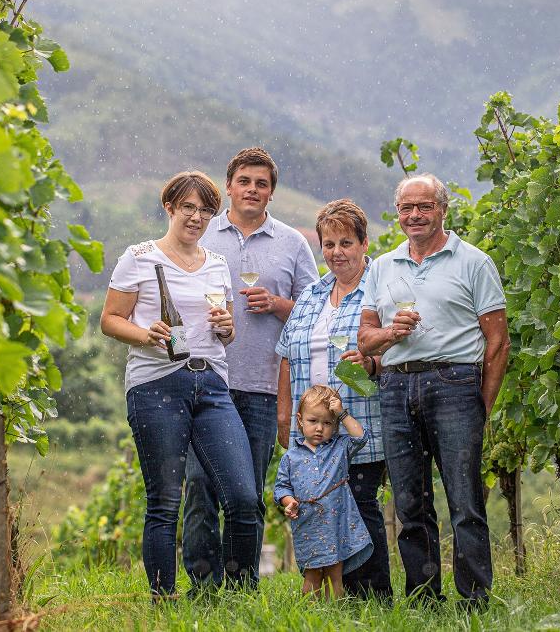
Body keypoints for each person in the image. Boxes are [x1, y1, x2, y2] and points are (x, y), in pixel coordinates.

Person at [100, 171, 259, 599]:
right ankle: (163, 598)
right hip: (156, 384)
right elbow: (110, 320)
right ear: (169, 207)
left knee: (243, 496)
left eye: (205, 210)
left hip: (210, 383)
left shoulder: (218, 265)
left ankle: (239, 595)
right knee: (165, 502)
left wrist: (227, 327)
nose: (196, 217)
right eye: (187, 208)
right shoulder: (140, 256)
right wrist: (145, 334)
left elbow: (226, 332)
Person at [358, 174, 510, 610]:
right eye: (407, 208)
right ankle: (424, 600)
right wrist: (389, 332)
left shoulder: (474, 262)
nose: (414, 215)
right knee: (409, 503)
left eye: (424, 206)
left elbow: (497, 342)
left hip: (454, 383)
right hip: (394, 384)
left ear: (443, 209)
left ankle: (473, 600)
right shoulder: (383, 267)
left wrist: (482, 402)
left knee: (464, 501)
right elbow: (365, 340)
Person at [183, 148, 319, 591]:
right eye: (245, 181)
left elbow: (318, 312)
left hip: (263, 387)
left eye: (262, 183)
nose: (252, 190)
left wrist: (279, 305)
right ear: (229, 186)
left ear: (272, 192)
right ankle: (203, 588)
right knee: (201, 488)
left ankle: (241, 589)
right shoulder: (202, 237)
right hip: (205, 382)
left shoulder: (292, 243)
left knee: (246, 495)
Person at [275, 198, 392, 600]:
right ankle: (329, 596)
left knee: (359, 504)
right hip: (311, 431)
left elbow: (399, 348)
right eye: (329, 244)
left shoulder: (382, 287)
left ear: (363, 243)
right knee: (316, 506)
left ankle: (373, 597)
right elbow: (289, 355)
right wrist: (284, 413)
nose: (337, 253)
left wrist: (372, 361)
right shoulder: (311, 295)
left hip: (361, 422)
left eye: (346, 243)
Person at [274, 385, 372, 599]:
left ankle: (333, 614)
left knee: (335, 573)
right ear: (299, 420)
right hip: (308, 523)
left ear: (335, 425)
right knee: (313, 574)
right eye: (313, 421)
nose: (319, 428)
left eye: (327, 422)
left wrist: (342, 413)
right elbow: (281, 487)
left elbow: (361, 437)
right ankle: (311, 616)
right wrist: (289, 501)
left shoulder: (340, 447)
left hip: (337, 522)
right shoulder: (290, 457)